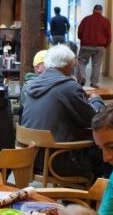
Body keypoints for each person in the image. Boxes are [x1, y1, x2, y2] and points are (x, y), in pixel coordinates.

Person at [21, 45, 106, 182]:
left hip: (32, 157)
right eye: (73, 65)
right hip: (58, 160)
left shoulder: (33, 84)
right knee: (106, 149)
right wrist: (97, 101)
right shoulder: (69, 87)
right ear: (67, 66)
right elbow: (94, 119)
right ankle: (93, 198)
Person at [75, 4, 111, 87]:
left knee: (81, 62)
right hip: (100, 47)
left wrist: (83, 39)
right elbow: (108, 35)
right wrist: (106, 45)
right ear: (101, 11)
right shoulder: (106, 21)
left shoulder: (86, 19)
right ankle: (94, 83)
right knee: (96, 65)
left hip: (86, 45)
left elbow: (80, 32)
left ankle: (82, 77)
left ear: (93, 10)